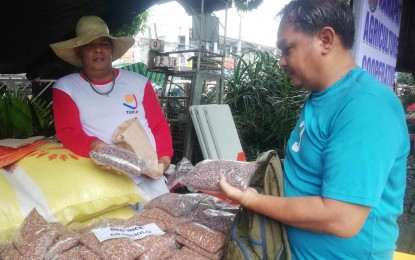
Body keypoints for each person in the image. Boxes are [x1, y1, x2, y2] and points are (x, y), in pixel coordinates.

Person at [213, 0, 410, 259]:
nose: (282, 61)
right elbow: (310, 170)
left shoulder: (365, 106)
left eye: (288, 48)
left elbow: (342, 218)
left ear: (325, 40)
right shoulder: (321, 96)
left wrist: (252, 200)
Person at [49, 16, 174, 203]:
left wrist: (163, 162)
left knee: (164, 225)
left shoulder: (139, 82)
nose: (98, 49)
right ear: (79, 51)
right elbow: (68, 132)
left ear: (111, 50)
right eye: (90, 45)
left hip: (150, 175)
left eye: (104, 44)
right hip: (105, 178)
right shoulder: (66, 88)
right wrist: (97, 146)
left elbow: (159, 126)